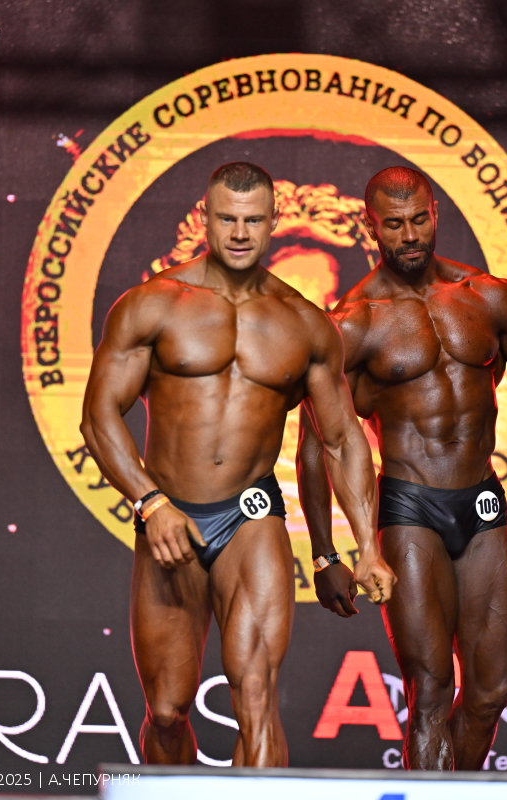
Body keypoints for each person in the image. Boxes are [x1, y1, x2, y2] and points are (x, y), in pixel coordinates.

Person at [80, 161, 396, 767]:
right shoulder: (153, 305)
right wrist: (150, 501)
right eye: (227, 219)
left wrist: (367, 546)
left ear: (274, 220)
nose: (241, 233)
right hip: (169, 517)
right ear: (206, 217)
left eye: (253, 220)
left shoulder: (304, 322)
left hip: (251, 516)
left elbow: (342, 439)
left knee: (255, 695)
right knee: (167, 711)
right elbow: (98, 417)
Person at [297, 166, 507, 770]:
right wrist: (324, 554)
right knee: (430, 692)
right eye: (393, 224)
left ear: (434, 214)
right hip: (409, 507)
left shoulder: (491, 296)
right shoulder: (353, 323)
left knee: (491, 691)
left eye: (419, 220)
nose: (409, 235)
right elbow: (318, 442)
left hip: (481, 502)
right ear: (371, 227)